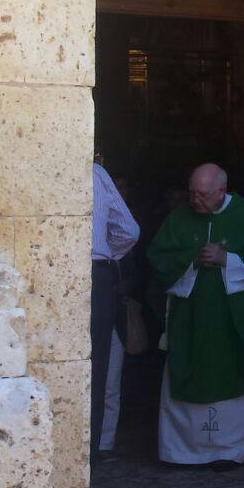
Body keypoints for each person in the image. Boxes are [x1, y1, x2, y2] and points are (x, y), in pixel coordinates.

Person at [145, 164, 244, 466]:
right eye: (192, 193)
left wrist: (226, 259)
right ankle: (181, 451)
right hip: (188, 318)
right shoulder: (179, 216)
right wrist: (191, 259)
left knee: (232, 372)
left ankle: (228, 450)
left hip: (233, 319)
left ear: (221, 191)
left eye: (203, 195)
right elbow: (157, 257)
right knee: (185, 368)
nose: (195, 201)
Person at [90, 161, 139, 462]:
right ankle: (91, 456)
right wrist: (106, 255)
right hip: (96, 274)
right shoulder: (94, 172)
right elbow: (129, 231)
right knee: (96, 371)